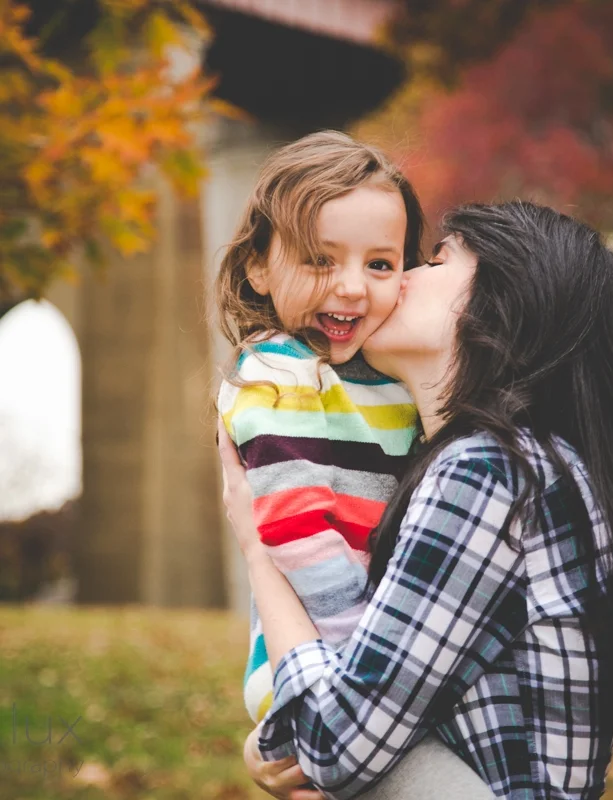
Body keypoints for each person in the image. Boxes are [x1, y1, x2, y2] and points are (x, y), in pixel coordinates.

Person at [219, 201, 613, 799]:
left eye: (433, 259)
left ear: (502, 304)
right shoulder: (507, 468)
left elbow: (337, 743)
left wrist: (257, 544)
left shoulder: (492, 473)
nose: (396, 279)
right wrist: (282, 741)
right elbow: (375, 713)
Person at [215, 131, 494, 799]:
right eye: (319, 260)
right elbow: (294, 531)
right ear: (259, 267)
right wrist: (358, 658)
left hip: (376, 655)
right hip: (322, 646)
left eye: (379, 264)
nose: (351, 287)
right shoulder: (278, 376)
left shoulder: (384, 375)